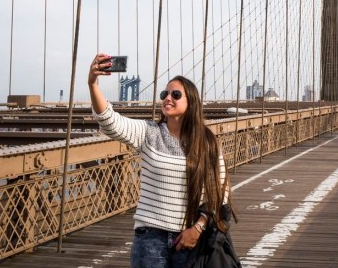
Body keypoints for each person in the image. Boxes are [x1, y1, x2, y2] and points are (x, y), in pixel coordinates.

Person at [88, 53, 239, 267]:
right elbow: (110, 122)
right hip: (150, 240)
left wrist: (197, 229)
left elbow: (219, 192)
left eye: (176, 94)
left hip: (188, 240)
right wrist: (93, 83)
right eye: (165, 93)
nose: (168, 98)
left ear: (191, 102)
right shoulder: (148, 133)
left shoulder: (206, 142)